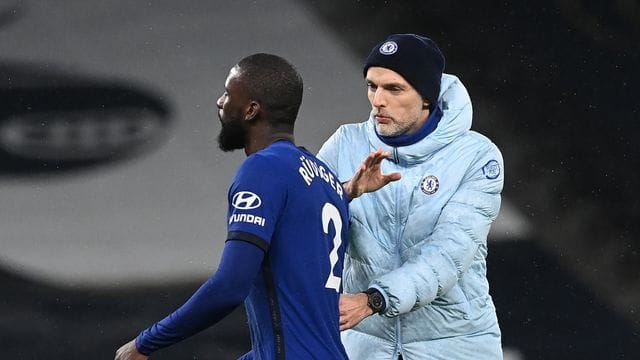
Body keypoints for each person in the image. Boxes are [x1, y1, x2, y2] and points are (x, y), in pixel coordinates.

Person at [114, 53, 391, 360]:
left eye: (227, 94)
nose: (220, 103)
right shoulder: (325, 181)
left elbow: (231, 286)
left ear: (250, 110)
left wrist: (145, 343)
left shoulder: (263, 170)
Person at [317, 34, 505, 359]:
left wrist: (373, 300)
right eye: (372, 86)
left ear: (427, 97)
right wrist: (348, 192)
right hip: (366, 346)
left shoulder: (477, 157)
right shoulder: (344, 145)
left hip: (455, 346)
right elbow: (307, 231)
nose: (378, 100)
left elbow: (447, 256)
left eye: (394, 89)